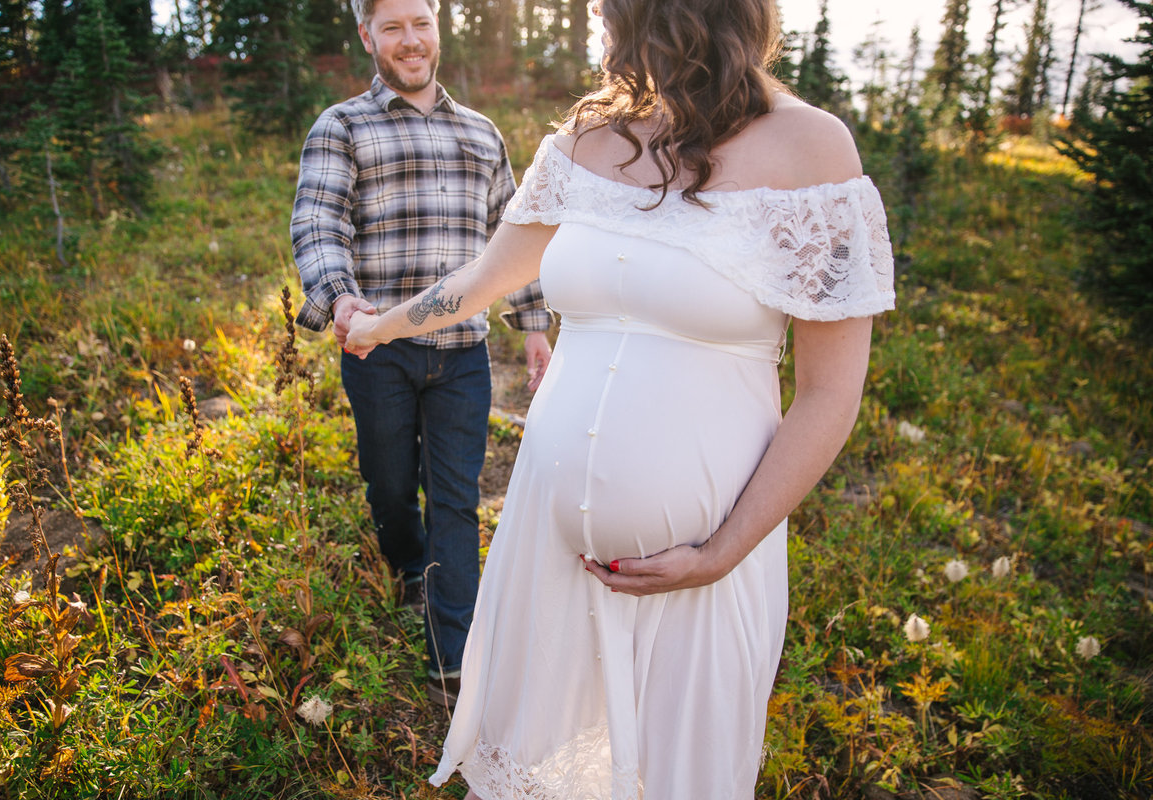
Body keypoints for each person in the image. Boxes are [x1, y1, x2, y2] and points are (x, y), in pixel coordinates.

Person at [345, 0, 895, 794]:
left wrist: (717, 555)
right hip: (550, 539)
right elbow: (480, 282)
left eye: (611, 7)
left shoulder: (810, 147)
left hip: (707, 560)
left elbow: (830, 395)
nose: (597, 16)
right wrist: (380, 327)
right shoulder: (585, 139)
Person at [289, 0, 554, 709]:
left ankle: (451, 664)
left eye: (421, 23)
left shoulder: (482, 133)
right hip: (377, 350)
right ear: (367, 35)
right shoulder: (342, 126)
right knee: (388, 482)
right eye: (393, 27)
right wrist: (342, 300)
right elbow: (318, 223)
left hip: (463, 356)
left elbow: (513, 239)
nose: (410, 41)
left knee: (457, 501)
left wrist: (533, 325)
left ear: (439, 27)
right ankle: (405, 564)